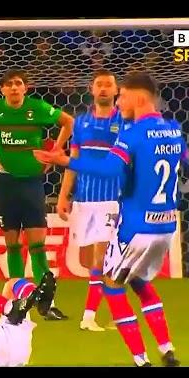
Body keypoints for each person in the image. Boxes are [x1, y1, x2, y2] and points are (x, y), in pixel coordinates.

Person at [35, 72, 185, 367]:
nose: (120, 101)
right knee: (139, 281)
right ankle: (167, 349)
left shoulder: (132, 134)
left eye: (124, 96)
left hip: (136, 226)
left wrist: (65, 160)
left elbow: (108, 170)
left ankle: (141, 360)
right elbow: (178, 160)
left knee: (112, 283)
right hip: (166, 225)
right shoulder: (174, 130)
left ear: (139, 97)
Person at [0, 69, 73, 320]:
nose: (14, 88)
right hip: (5, 182)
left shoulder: (37, 108)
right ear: (2, 89)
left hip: (32, 182)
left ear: (26, 88)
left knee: (37, 244)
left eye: (18, 84)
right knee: (12, 243)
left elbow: (68, 122)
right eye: (9, 84)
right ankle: (17, 302)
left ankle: (47, 303)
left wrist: (55, 151)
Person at [56, 70, 127, 331]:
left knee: (101, 258)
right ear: (92, 89)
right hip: (84, 200)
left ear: (117, 90)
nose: (104, 89)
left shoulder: (125, 122)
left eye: (109, 85)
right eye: (100, 85)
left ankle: (89, 317)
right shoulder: (81, 123)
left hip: (111, 199)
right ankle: (108, 313)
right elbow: (72, 163)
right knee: (90, 262)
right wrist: (63, 196)